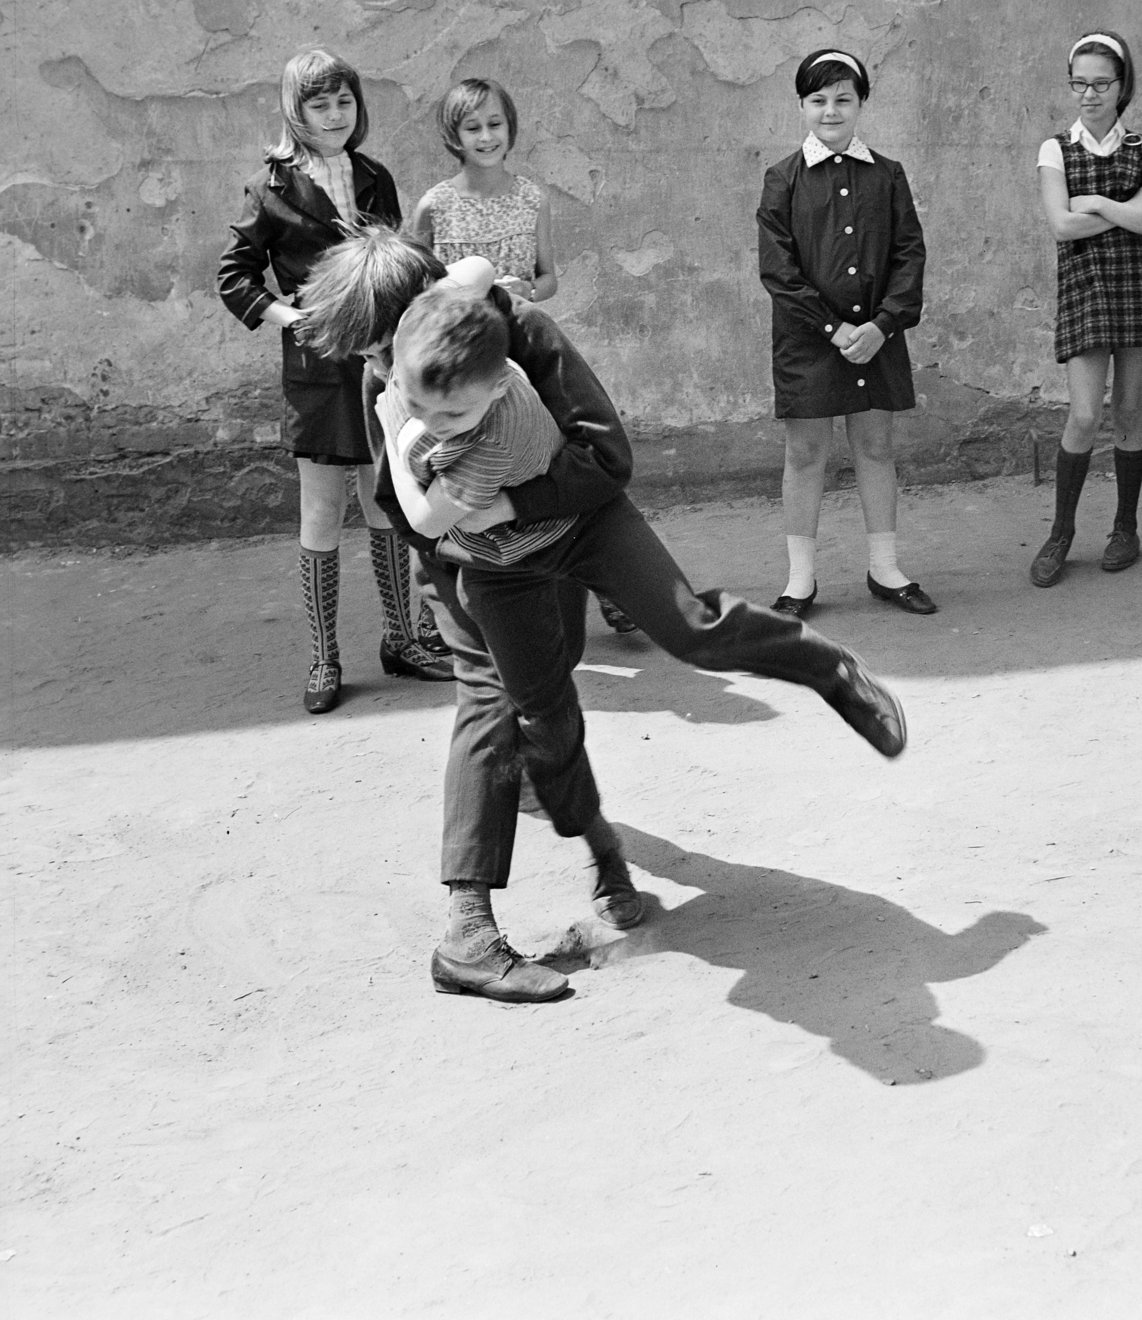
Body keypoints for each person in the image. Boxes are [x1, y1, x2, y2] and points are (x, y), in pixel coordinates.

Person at [294, 227, 910, 1005]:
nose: (384, 372)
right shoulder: (388, 379)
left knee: (689, 628)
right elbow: (402, 504)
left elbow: (606, 458)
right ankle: (500, 914)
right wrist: (455, 567)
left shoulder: (520, 335)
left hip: (583, 520)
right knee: (514, 710)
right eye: (371, 357)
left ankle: (828, 668)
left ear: (433, 313)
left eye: (385, 347)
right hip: (481, 566)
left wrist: (511, 504)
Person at [216, 48, 451, 714]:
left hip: (379, 362)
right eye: (319, 104)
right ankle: (324, 657)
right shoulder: (269, 187)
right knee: (321, 510)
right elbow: (233, 276)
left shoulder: (374, 176)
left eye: (344, 101)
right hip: (317, 369)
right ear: (296, 110)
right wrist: (293, 318)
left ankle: (402, 640)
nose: (334, 115)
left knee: (385, 499)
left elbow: (397, 261)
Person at [410, 76, 637, 635]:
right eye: (473, 127)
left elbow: (549, 276)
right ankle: (444, 606)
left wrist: (526, 290)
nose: (486, 136)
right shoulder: (434, 204)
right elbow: (416, 287)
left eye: (495, 124)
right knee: (451, 472)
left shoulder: (532, 197)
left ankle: (606, 583)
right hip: (461, 362)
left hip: (523, 348)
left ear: (511, 129)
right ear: (453, 135)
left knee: (555, 460)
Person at [757, 48, 936, 617]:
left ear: (861, 104)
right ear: (801, 106)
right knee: (806, 452)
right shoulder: (782, 179)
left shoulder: (887, 174)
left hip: (877, 337)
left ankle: (885, 568)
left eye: (843, 99)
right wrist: (834, 329)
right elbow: (778, 271)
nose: (830, 111)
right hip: (809, 340)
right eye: (818, 100)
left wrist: (883, 325)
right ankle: (800, 581)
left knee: (876, 446)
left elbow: (909, 254)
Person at [1029, 30, 1142, 587]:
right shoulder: (1054, 149)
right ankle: (1061, 533)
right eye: (1079, 84)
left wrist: (1094, 202)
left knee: (1130, 412)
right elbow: (1062, 226)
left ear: (1121, 86)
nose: (1088, 95)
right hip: (1086, 288)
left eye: (1100, 84)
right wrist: (1128, 206)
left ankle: (1125, 529)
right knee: (1086, 415)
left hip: (1137, 285)